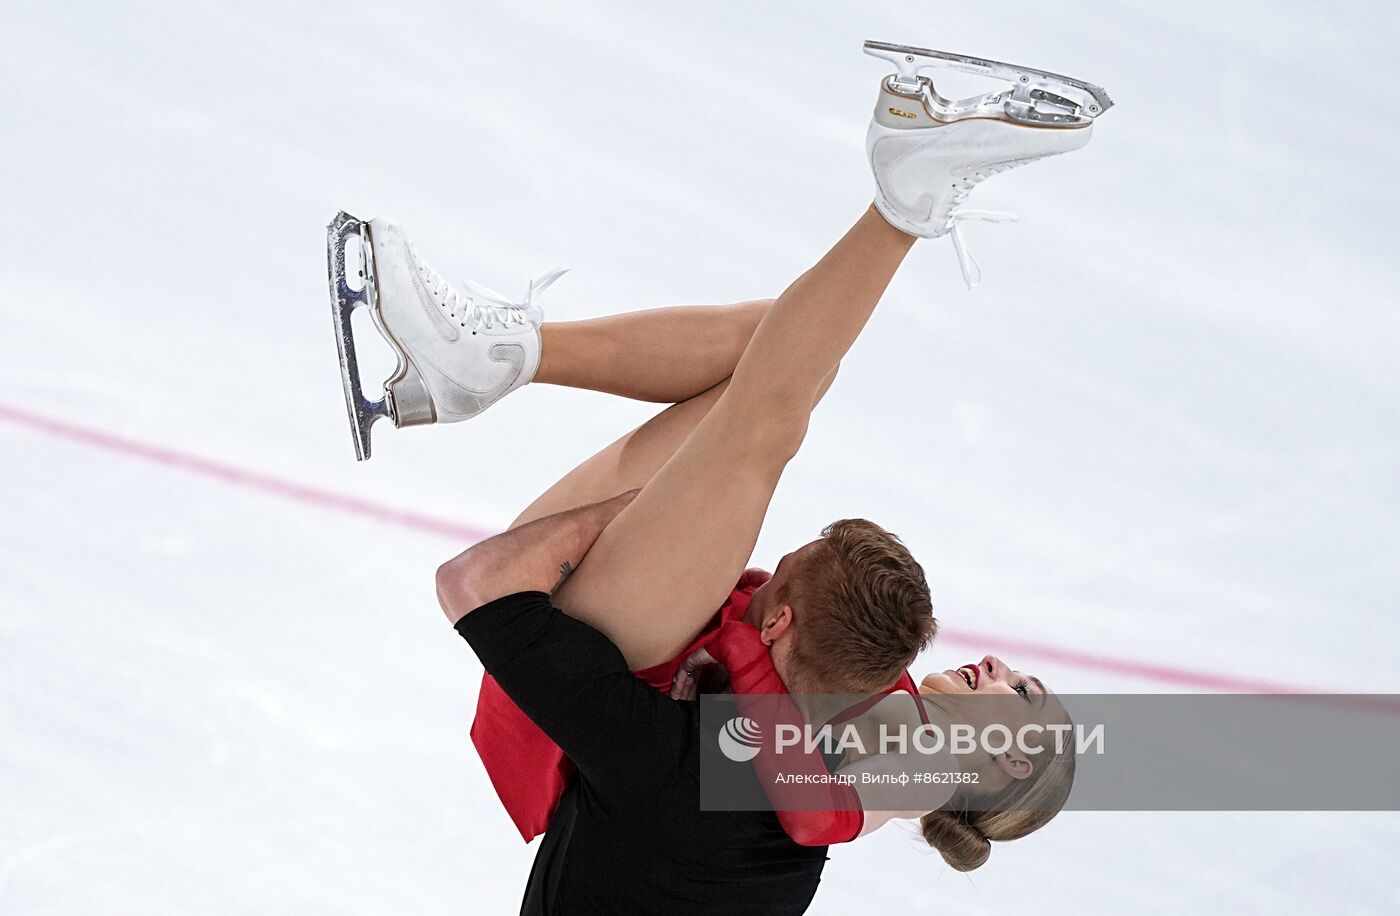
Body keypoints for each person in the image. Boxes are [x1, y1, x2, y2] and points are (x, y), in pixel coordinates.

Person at [346, 42, 1104, 912]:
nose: (1002, 667)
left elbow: (821, 810)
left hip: (597, 671)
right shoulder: (899, 715)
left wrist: (731, 605)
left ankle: (908, 198)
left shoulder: (915, 769)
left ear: (1008, 760)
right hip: (613, 681)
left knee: (764, 426)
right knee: (776, 354)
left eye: (1024, 693)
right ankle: (485, 359)